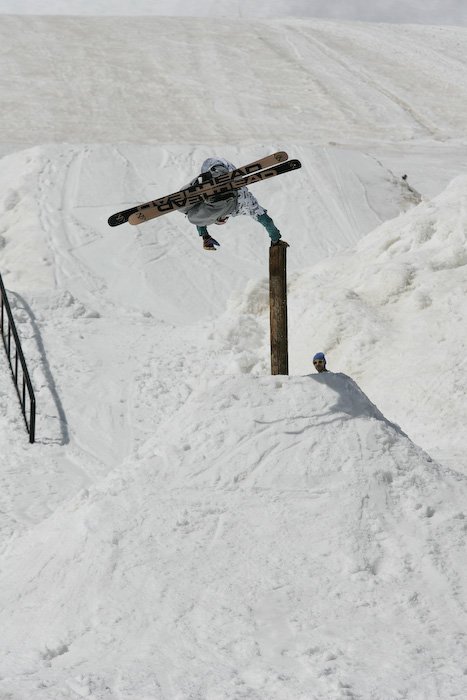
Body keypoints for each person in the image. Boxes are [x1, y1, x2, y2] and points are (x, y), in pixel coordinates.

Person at [183, 157, 289, 251]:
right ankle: (211, 180)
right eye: (221, 219)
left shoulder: (247, 205)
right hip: (223, 174)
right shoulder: (246, 207)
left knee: (189, 212)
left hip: (213, 168)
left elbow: (201, 219)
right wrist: (276, 239)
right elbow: (267, 221)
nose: (222, 218)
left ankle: (205, 182)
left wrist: (205, 237)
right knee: (203, 213)